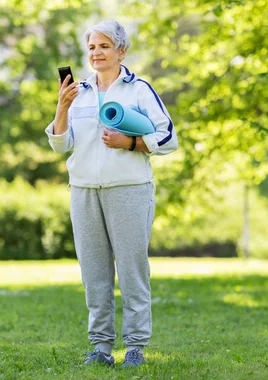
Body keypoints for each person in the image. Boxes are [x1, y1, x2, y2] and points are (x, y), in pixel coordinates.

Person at [45, 20, 178, 368]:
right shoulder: (79, 93)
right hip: (84, 191)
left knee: (132, 272)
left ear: (121, 51)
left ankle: (135, 347)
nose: (96, 53)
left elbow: (168, 138)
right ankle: (101, 348)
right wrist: (61, 107)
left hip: (129, 191)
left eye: (103, 46)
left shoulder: (139, 90)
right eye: (91, 47)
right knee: (94, 274)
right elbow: (61, 145)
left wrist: (131, 143)